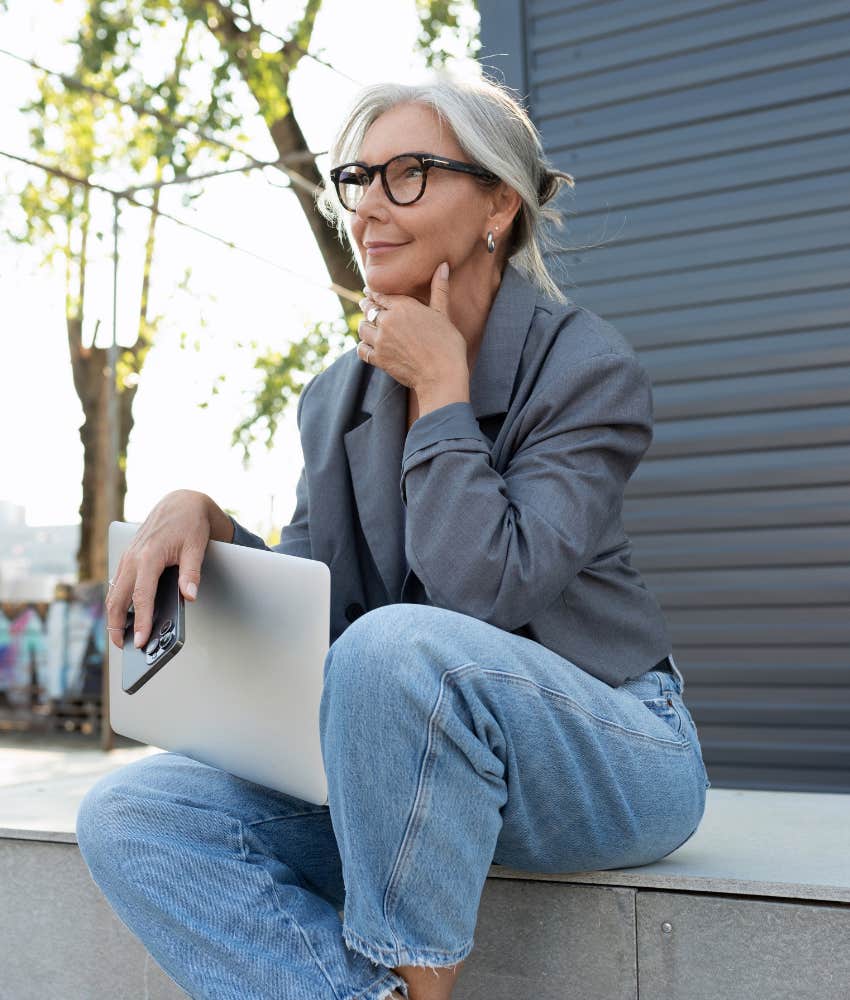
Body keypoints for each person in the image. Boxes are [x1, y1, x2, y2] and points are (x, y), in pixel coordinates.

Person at [76, 69, 710, 1000]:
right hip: (406, 770)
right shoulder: (336, 397)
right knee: (131, 811)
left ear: (499, 201)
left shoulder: (587, 370)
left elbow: (482, 595)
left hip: (611, 753)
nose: (370, 205)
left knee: (396, 647)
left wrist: (443, 391)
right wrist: (207, 519)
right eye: (359, 179)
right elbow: (317, 612)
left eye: (407, 173)